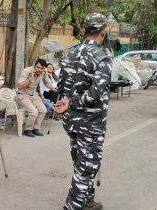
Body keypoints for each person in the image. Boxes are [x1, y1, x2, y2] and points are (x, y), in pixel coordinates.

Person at [54, 13, 112, 210]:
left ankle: (88, 201)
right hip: (90, 122)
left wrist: (67, 104)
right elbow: (95, 93)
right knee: (86, 168)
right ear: (103, 32)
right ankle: (72, 206)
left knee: (81, 163)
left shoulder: (70, 54)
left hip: (72, 121)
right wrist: (72, 103)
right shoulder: (101, 56)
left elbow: (60, 87)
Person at [16, 58, 58, 137]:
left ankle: (35, 128)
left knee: (43, 110)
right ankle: (27, 129)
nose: (39, 69)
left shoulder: (44, 72)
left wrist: (53, 89)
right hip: (22, 94)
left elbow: (46, 82)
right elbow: (20, 86)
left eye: (42, 68)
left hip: (33, 94)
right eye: (38, 67)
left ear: (44, 68)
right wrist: (30, 78)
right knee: (34, 112)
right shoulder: (26, 71)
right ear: (35, 65)